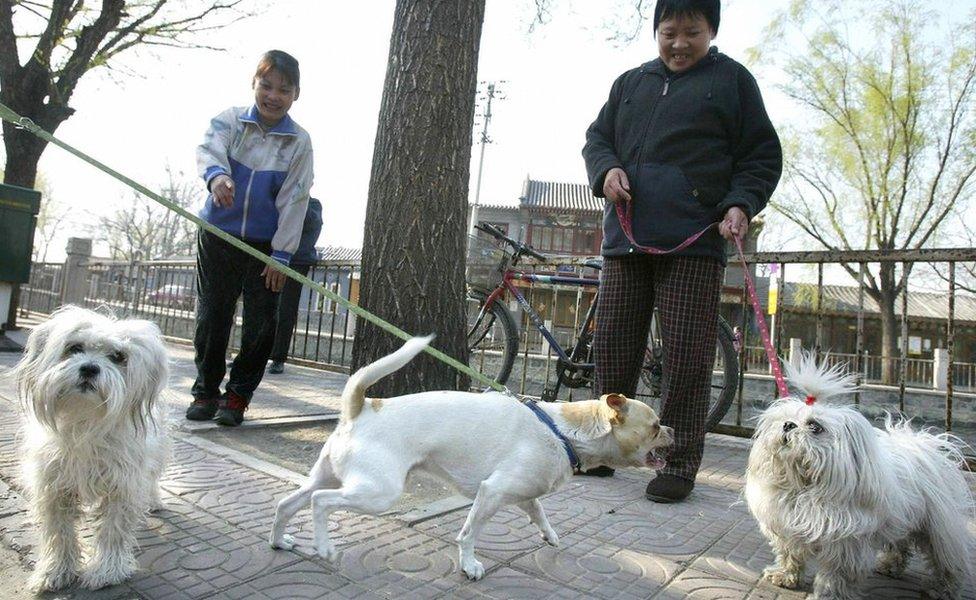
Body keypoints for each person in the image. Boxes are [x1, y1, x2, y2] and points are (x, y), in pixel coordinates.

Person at [582, 0, 781, 501]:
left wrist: (741, 203)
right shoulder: (630, 83)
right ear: (657, 32)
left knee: (688, 357)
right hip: (626, 239)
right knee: (612, 352)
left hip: (695, 241)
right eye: (669, 32)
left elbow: (761, 155)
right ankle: (605, 449)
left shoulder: (733, 81)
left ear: (710, 32)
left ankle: (678, 460)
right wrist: (606, 170)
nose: (678, 43)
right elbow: (597, 139)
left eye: (691, 32)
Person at [186, 50, 313, 427]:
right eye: (266, 85)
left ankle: (238, 395)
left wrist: (282, 255)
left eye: (284, 90)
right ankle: (206, 391)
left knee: (261, 325)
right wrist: (217, 177)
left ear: (296, 95)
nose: (273, 96)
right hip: (218, 236)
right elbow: (209, 149)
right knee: (213, 316)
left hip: (266, 249)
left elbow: (296, 198)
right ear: (254, 84)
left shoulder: (299, 143)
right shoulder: (230, 121)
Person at [267, 197, 323, 374]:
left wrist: (298, 199)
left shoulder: (313, 204)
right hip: (273, 260)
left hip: (296, 263)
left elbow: (309, 222)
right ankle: (251, 355)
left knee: (286, 310)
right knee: (261, 308)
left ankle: (278, 358)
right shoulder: (280, 201)